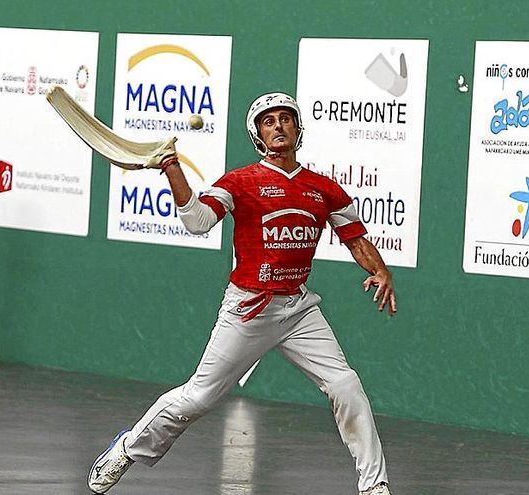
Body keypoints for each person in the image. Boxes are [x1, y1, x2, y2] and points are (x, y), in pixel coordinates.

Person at [87, 93, 396, 495]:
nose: (279, 126)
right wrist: (171, 168)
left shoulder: (323, 190)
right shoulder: (240, 182)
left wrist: (380, 270)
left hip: (299, 309)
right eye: (270, 122)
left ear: (299, 130)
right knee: (197, 399)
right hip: (248, 309)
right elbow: (197, 221)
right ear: (258, 135)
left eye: (287, 119)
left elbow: (355, 239)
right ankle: (128, 448)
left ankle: (374, 486)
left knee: (346, 384)